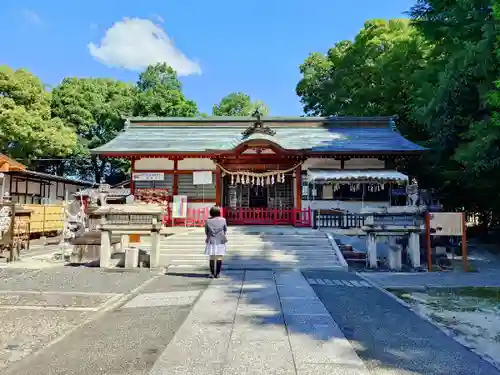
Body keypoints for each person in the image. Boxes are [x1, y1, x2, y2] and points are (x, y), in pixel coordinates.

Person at [204, 206, 227, 278]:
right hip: (220, 240)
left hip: (211, 240)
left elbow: (206, 231)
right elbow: (225, 229)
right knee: (219, 257)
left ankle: (212, 273)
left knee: (212, 257)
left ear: (211, 212)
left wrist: (210, 235)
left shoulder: (208, 221)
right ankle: (217, 274)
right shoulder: (223, 220)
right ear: (219, 212)